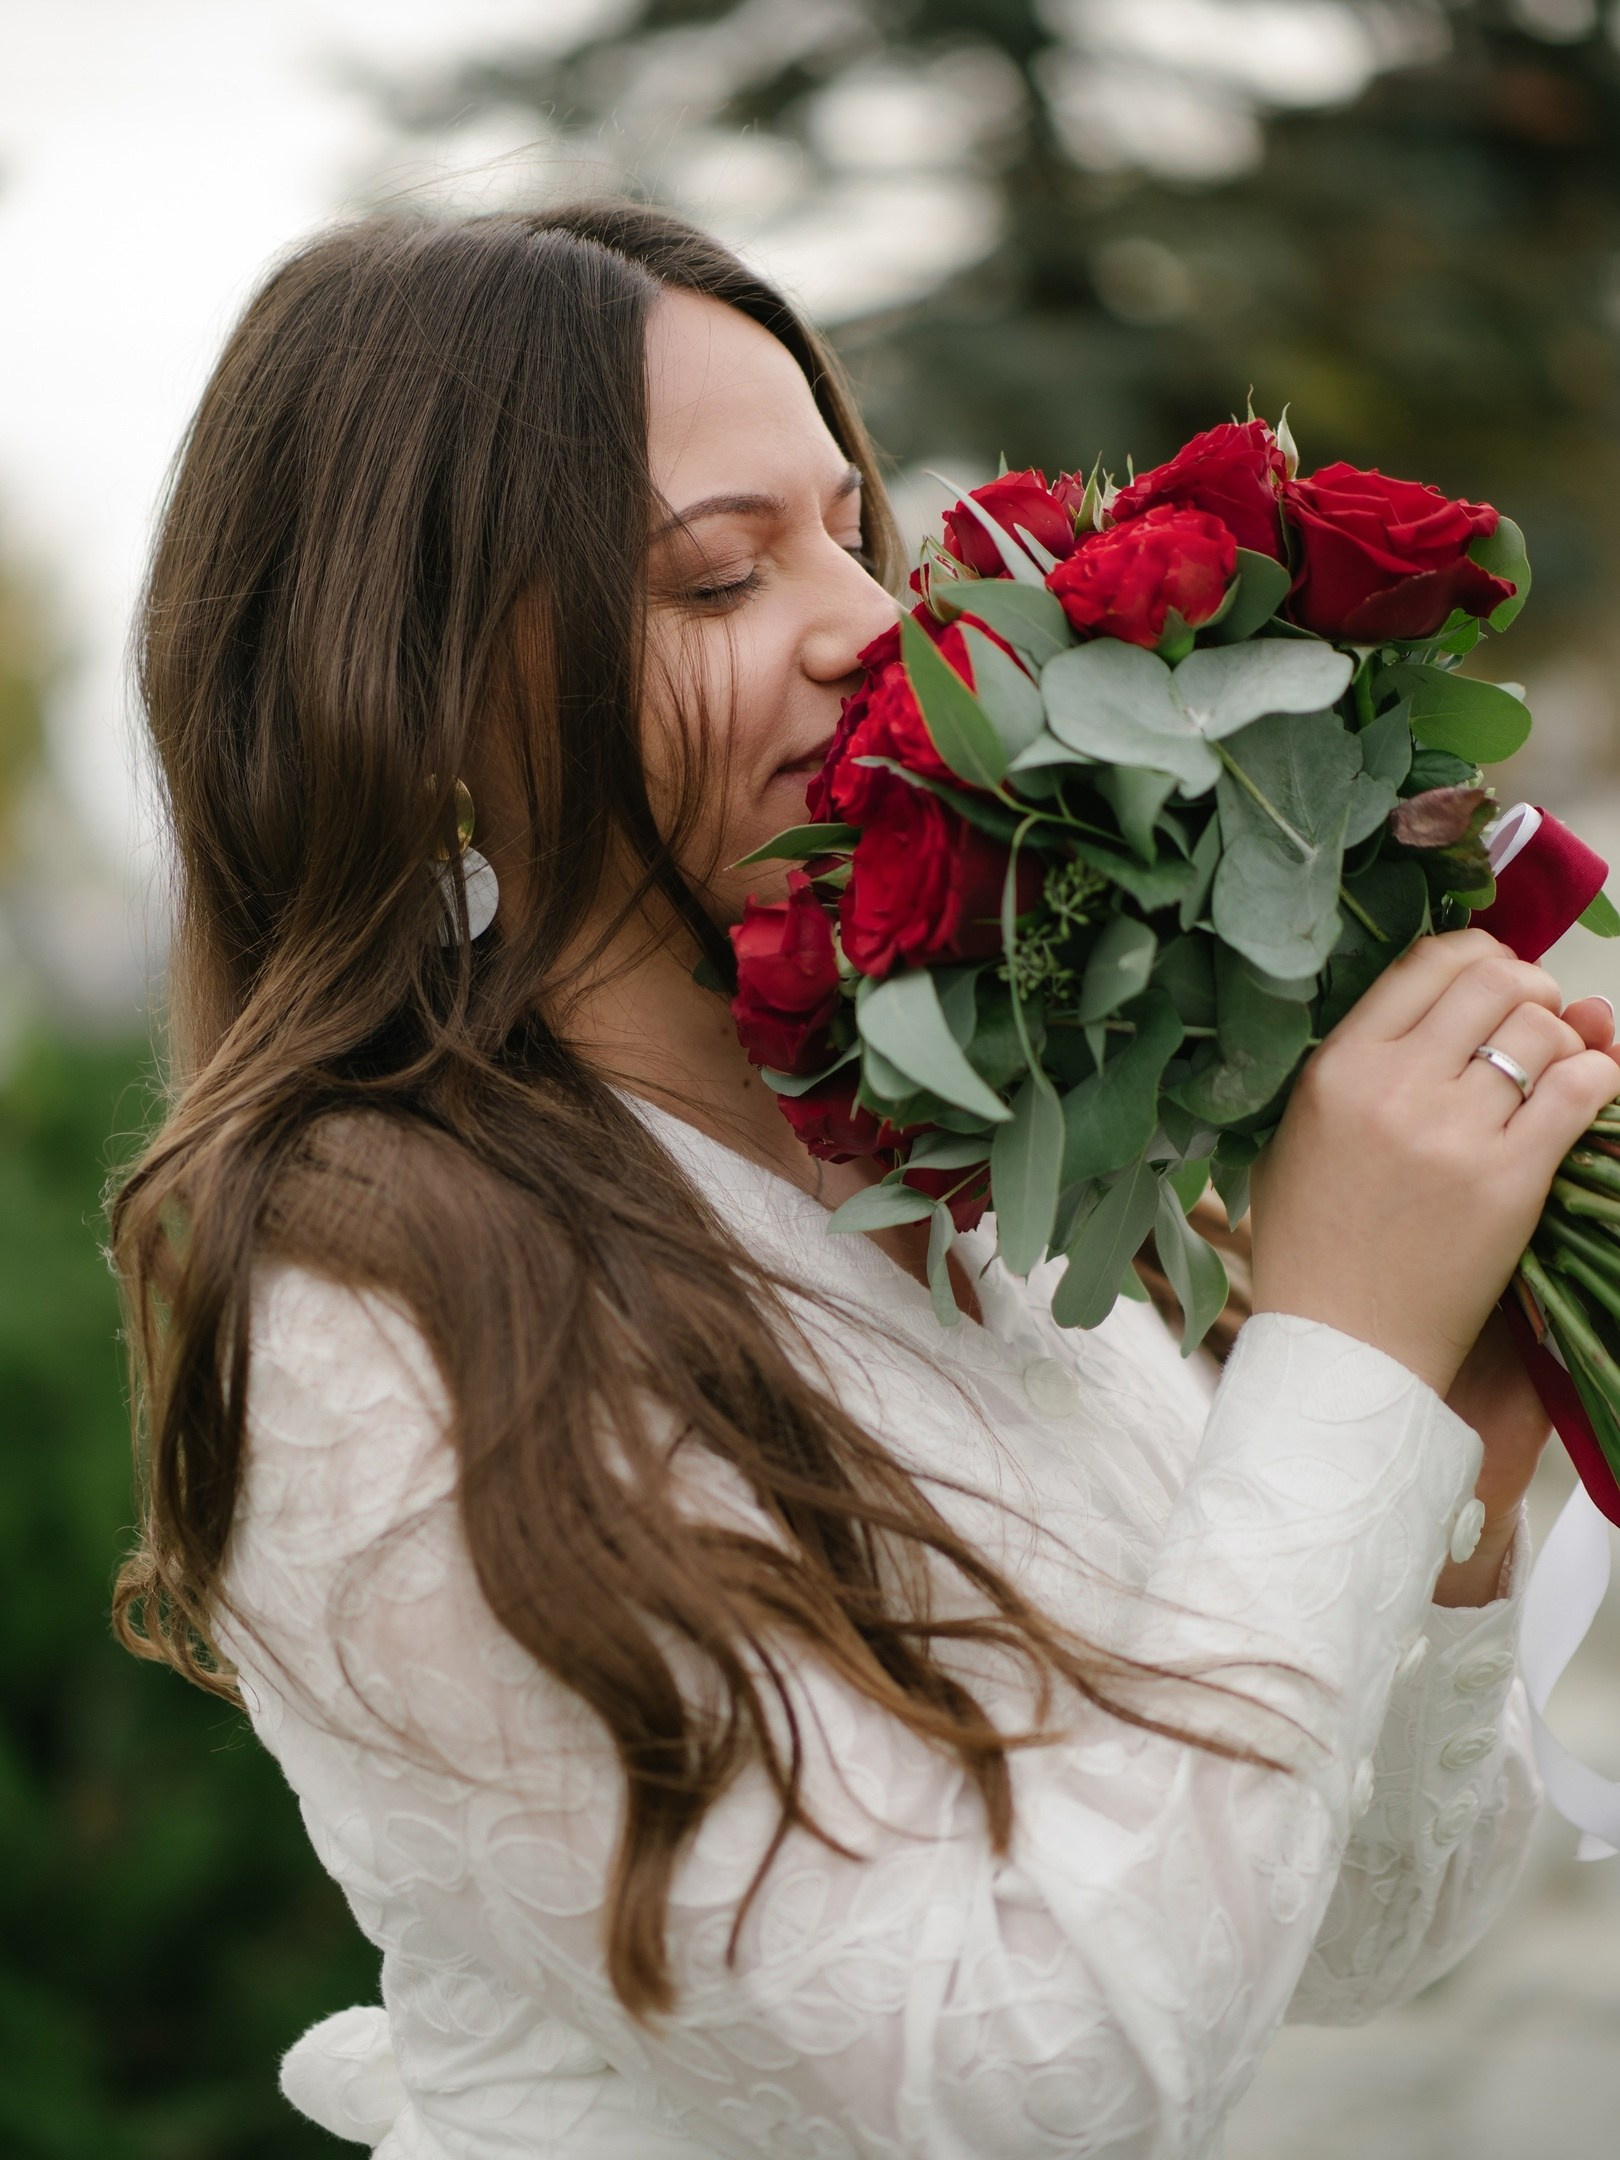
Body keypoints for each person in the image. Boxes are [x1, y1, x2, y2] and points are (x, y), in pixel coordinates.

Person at [111, 203, 1620, 2160]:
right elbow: (1011, 2091)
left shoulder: (960, 1181)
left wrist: (1445, 1462)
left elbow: (1347, 1946)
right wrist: (1338, 1358)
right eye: (719, 578)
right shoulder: (375, 1316)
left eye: (851, 531)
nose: (869, 624)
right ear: (417, 713)